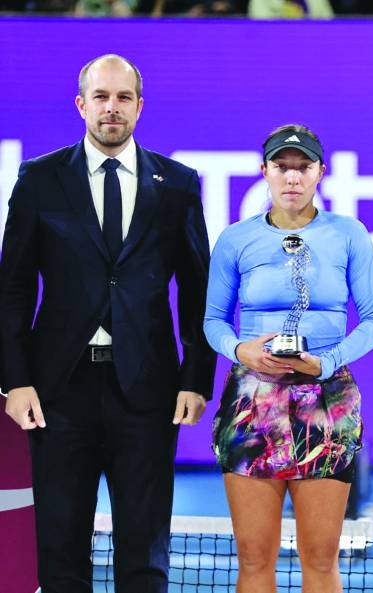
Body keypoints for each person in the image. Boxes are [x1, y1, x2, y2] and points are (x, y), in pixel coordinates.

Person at [0, 54, 215, 592]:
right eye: (101, 97)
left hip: (147, 390)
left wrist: (195, 378)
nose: (111, 108)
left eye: (123, 98)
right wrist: (16, 379)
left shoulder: (179, 184)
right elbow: (13, 287)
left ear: (140, 107)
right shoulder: (40, 179)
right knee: (60, 546)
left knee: (144, 550)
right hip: (57, 393)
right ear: (81, 105)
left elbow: (197, 288)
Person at [203, 124, 373, 592]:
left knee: (322, 560)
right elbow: (213, 322)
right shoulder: (234, 239)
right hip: (251, 403)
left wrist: (325, 364)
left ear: (320, 173)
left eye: (302, 167)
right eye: (281, 167)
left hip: (327, 402)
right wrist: (240, 350)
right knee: (253, 559)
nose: (292, 177)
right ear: (263, 171)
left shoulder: (349, 235)